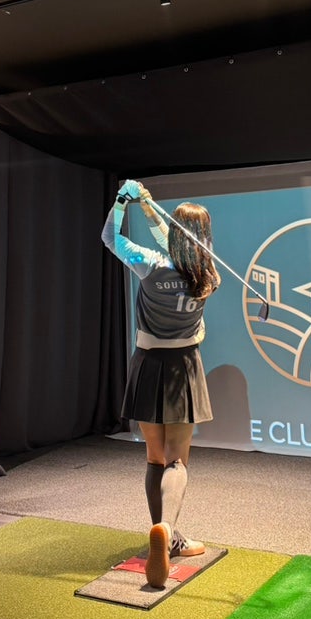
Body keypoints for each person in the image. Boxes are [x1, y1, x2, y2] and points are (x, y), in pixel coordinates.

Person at [101, 178, 220, 588]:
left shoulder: (150, 264)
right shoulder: (209, 273)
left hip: (148, 365)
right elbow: (175, 241)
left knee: (155, 458)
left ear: (176, 232)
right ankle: (169, 532)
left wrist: (124, 202)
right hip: (184, 366)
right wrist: (150, 206)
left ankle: (164, 534)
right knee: (177, 461)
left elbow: (110, 238)